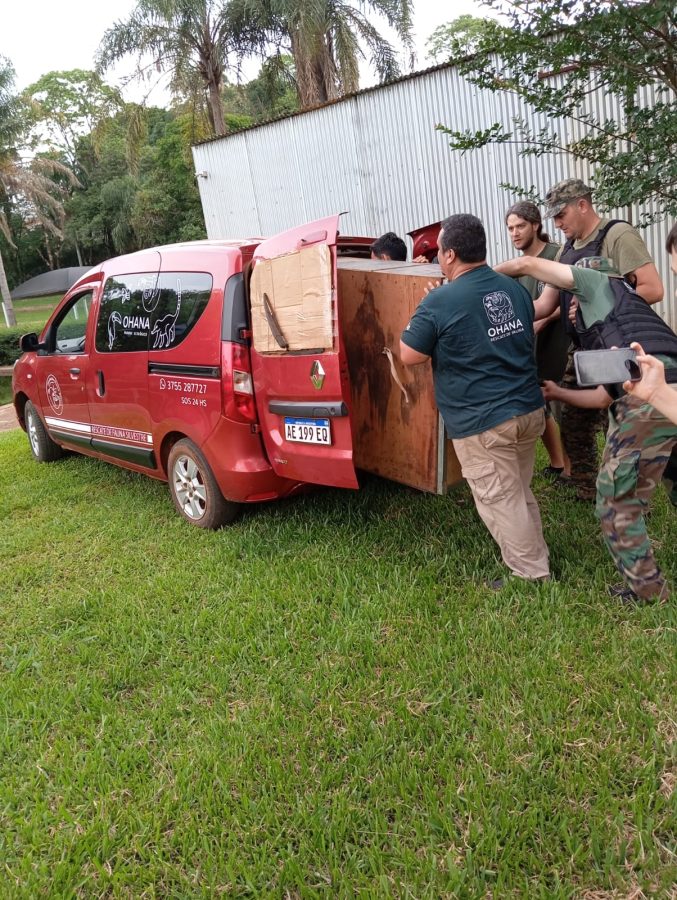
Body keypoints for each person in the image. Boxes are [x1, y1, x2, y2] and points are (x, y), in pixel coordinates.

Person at [495, 250, 677, 605]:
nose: (572, 305)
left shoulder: (598, 282)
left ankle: (647, 592)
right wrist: (557, 392)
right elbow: (603, 398)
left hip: (651, 403)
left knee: (615, 499)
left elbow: (526, 264)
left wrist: (475, 276)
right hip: (668, 397)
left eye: (572, 296)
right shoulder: (623, 317)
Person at [399, 214, 550, 585]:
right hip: (528, 410)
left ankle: (531, 574)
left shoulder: (439, 300)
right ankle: (536, 557)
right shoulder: (513, 289)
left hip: (485, 422)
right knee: (516, 490)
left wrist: (426, 308)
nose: (437, 258)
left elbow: (409, 355)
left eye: (438, 252)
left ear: (450, 254)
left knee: (501, 499)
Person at [530, 179, 664, 502]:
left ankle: (630, 498)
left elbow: (653, 289)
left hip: (617, 348)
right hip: (582, 349)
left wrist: (599, 303)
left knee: (620, 426)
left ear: (582, 205)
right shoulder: (567, 249)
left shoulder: (616, 235)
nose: (557, 224)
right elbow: (545, 304)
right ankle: (586, 488)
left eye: (561, 215)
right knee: (573, 421)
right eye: (553, 218)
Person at [505, 200, 568, 479]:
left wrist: (544, 319)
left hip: (560, 346)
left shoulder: (557, 255)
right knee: (541, 408)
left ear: (535, 225)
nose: (515, 233)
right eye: (510, 228)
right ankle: (558, 464)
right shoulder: (517, 268)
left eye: (520, 226)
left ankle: (573, 473)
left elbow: (571, 298)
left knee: (566, 413)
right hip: (530, 350)